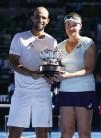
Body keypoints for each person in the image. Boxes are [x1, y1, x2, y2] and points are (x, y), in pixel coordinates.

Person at [7, 6, 57, 138]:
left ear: (48, 21)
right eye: (37, 16)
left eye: (43, 17)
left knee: (42, 133)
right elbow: (12, 63)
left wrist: (53, 75)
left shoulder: (52, 41)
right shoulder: (19, 37)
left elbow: (52, 65)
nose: (40, 19)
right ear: (32, 18)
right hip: (21, 92)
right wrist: (31, 73)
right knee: (14, 132)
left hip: (43, 92)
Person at [53, 12, 96, 138]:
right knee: (66, 131)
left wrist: (67, 76)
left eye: (74, 25)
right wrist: (52, 75)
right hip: (66, 91)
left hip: (85, 90)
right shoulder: (59, 46)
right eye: (68, 25)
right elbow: (57, 67)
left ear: (80, 26)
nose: (71, 28)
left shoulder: (88, 42)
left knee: (84, 132)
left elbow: (88, 69)